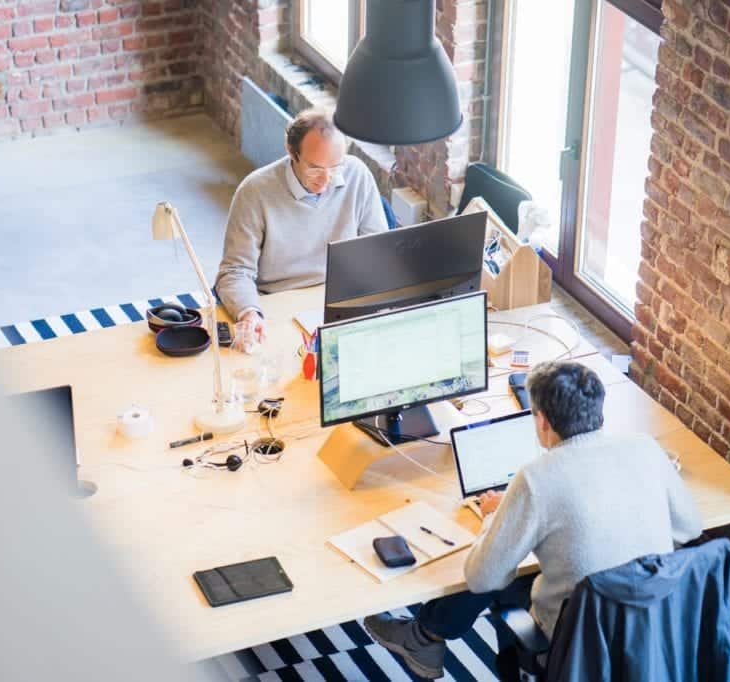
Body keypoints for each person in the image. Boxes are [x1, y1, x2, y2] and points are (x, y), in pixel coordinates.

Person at [364, 361, 703, 680]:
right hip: (654, 631)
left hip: (575, 645)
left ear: (541, 420)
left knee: (500, 571)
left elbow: (482, 578)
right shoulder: (645, 448)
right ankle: (423, 636)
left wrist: (495, 515)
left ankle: (423, 637)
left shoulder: (537, 478)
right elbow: (690, 528)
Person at [215, 108, 387, 353]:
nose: (325, 180)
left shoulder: (357, 174)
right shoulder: (254, 191)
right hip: (275, 303)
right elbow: (234, 271)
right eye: (315, 168)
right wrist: (249, 313)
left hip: (337, 300)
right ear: (291, 152)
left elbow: (376, 252)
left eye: (335, 167)